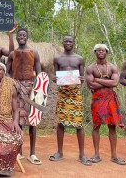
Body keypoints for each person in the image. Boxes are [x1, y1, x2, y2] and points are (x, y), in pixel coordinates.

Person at [49, 35, 91, 165]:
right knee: (61, 122)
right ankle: (60, 152)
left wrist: (82, 79)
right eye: (66, 41)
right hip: (62, 93)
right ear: (63, 42)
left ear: (73, 43)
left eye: (70, 41)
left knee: (79, 123)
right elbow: (55, 76)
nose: (68, 43)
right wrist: (54, 79)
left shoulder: (79, 59)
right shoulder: (57, 58)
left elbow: (81, 78)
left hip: (75, 93)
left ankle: (82, 155)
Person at [6, 28, 42, 165]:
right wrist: (13, 84)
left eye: (24, 35)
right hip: (16, 88)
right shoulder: (12, 54)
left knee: (33, 120)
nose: (21, 37)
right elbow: (8, 72)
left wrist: (38, 89)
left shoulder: (34, 53)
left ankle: (32, 153)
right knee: (18, 120)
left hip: (31, 88)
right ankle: (19, 152)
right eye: (19, 35)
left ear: (27, 37)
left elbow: (39, 73)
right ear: (16, 38)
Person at [86, 43, 125, 165]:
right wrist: (107, 81)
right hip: (97, 99)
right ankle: (96, 155)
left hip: (110, 99)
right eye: (98, 50)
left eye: (103, 50)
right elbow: (90, 85)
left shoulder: (113, 67)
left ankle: (114, 156)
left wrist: (98, 79)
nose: (101, 52)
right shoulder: (90, 68)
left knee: (112, 126)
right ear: (95, 52)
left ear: (107, 52)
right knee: (96, 126)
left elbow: (115, 83)